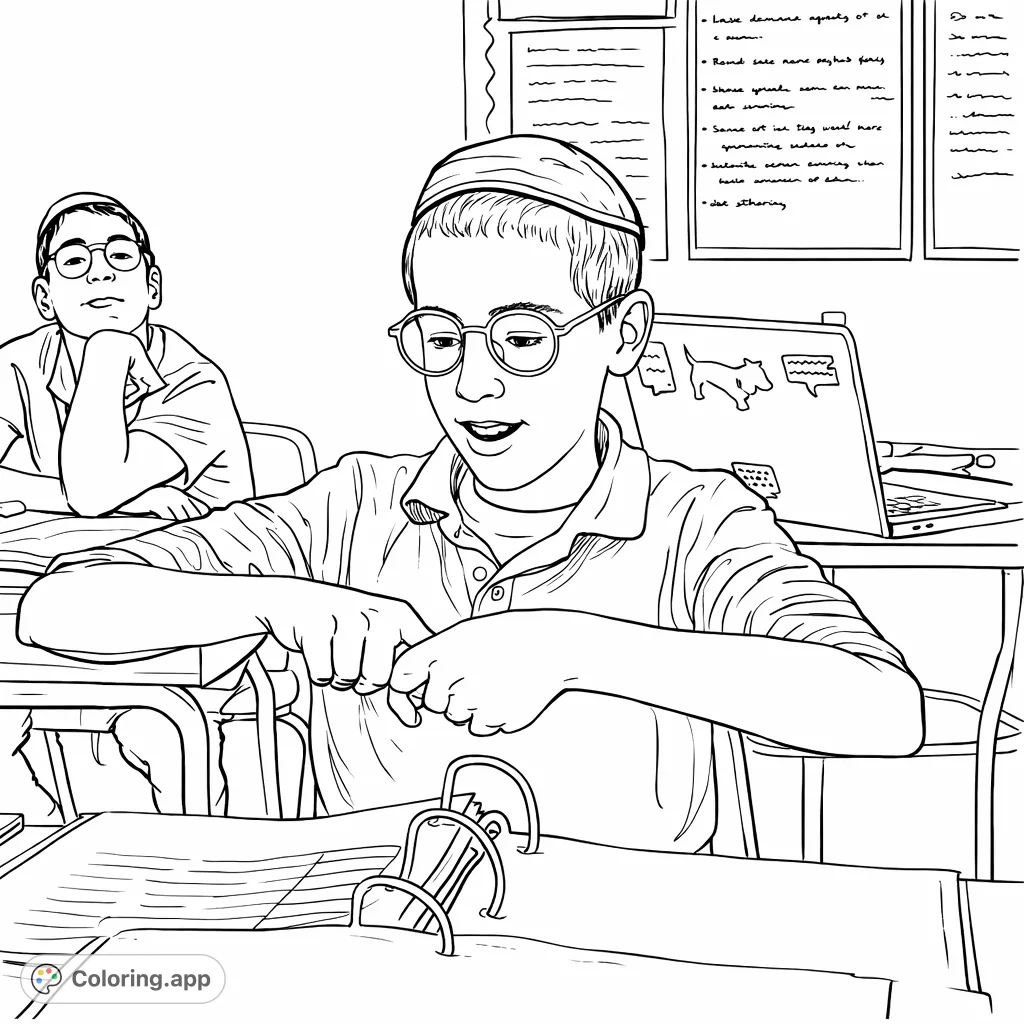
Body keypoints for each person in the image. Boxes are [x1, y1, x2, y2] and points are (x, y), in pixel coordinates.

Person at [18, 140, 924, 850]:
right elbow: (59, 607)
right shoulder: (357, 505)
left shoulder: (693, 519)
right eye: (442, 339)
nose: (474, 385)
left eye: (523, 339)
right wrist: (284, 602)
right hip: (378, 946)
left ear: (623, 335)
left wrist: (572, 649)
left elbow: (882, 707)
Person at [0, 193, 254, 821]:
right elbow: (97, 503)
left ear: (152, 286)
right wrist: (109, 505)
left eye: (120, 257)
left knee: (154, 734)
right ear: (43, 296)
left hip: (188, 615)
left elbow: (94, 490)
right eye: (74, 261)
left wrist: (107, 353)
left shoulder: (194, 380)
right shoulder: (17, 365)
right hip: (39, 597)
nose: (100, 273)